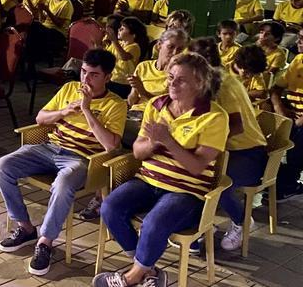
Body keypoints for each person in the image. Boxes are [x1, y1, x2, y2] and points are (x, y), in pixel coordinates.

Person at [94, 52, 228, 287]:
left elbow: (197, 167)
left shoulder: (214, 117)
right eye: (170, 77)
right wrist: (154, 142)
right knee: (110, 208)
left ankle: (130, 278)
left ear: (199, 83)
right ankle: (149, 271)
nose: (172, 84)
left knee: (153, 224)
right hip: (147, 181)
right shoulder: (157, 105)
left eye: (181, 79)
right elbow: (137, 151)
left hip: (187, 192)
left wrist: (168, 141)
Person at [0, 49, 126, 277]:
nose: (86, 79)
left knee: (63, 183)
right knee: (1, 166)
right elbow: (40, 118)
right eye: (84, 72)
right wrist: (65, 110)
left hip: (82, 158)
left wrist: (86, 109)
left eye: (93, 75)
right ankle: (25, 228)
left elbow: (111, 146)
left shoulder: (116, 105)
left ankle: (45, 242)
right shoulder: (69, 89)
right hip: (50, 148)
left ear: (108, 77)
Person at [187, 37, 267, 252]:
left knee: (213, 182)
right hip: (230, 151)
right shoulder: (210, 81)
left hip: (249, 153)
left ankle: (241, 221)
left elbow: (237, 127)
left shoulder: (222, 84)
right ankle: (202, 226)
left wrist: (206, 145)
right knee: (191, 175)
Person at [270, 29, 303, 201]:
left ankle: (288, 184)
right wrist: (279, 108)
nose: (299, 42)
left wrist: (299, 122)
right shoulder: (298, 60)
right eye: (299, 38)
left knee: (297, 143)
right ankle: (273, 179)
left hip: (300, 122)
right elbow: (275, 89)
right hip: (292, 115)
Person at [128, 28, 188, 110]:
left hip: (156, 118)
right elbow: (131, 102)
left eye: (180, 49)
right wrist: (135, 88)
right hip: (135, 113)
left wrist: (142, 91)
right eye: (171, 47)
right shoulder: (143, 66)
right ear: (159, 45)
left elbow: (165, 108)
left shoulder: (178, 75)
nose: (175, 52)